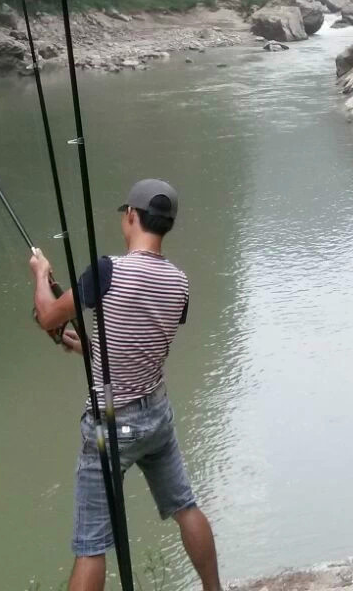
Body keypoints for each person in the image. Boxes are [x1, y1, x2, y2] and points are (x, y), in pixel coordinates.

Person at [29, 178, 221, 591]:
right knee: (185, 507)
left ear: (131, 216)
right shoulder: (180, 284)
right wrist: (92, 350)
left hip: (111, 424)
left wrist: (41, 275)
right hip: (156, 415)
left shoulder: (107, 271)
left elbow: (48, 316)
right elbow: (143, 344)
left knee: (91, 545)